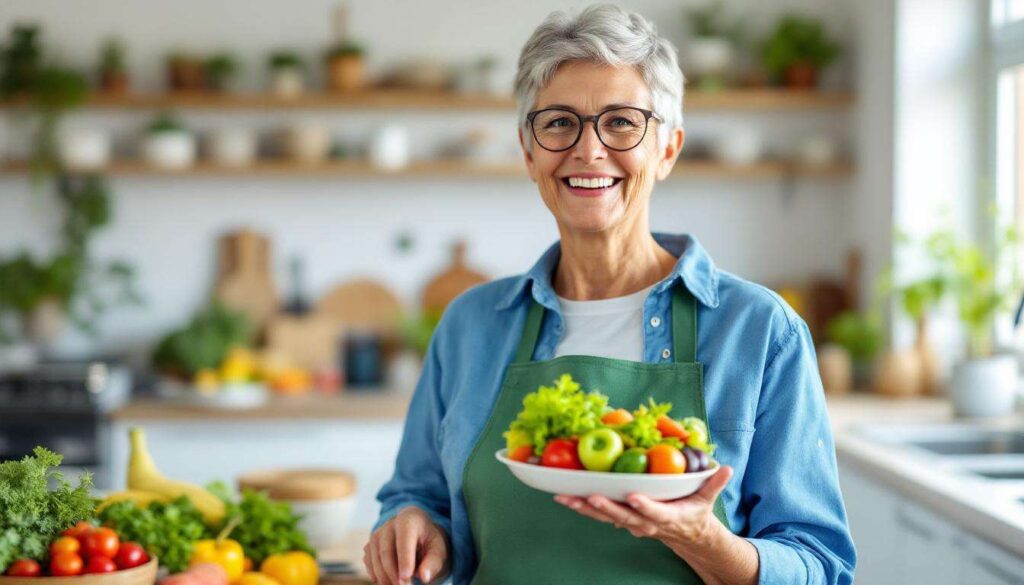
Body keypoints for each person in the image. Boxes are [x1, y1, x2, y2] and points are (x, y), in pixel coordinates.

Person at [364, 5, 856, 584]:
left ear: (667, 149)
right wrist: (411, 524)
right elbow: (416, 495)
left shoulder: (760, 331)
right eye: (559, 122)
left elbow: (820, 565)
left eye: (621, 121)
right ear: (529, 151)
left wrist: (704, 541)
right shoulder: (471, 324)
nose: (589, 150)